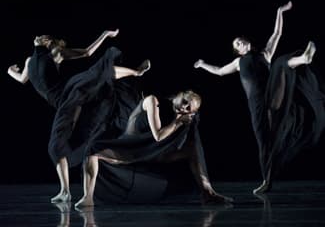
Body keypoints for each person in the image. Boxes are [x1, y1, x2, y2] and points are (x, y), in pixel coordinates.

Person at [194, 1, 325, 194]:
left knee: (280, 63)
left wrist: (280, 12)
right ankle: (267, 181)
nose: (240, 42)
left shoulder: (265, 54)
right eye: (236, 44)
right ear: (237, 51)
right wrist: (203, 64)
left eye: (240, 40)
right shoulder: (238, 62)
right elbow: (220, 71)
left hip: (274, 96)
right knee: (264, 143)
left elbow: (276, 33)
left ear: (247, 42)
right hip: (257, 107)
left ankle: (303, 59)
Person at [7, 30, 151, 203]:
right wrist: (9, 71)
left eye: (44, 36)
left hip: (69, 92)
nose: (39, 36)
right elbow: (23, 79)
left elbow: (87, 52)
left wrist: (105, 34)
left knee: (99, 71)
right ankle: (65, 191)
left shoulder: (56, 53)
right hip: (63, 105)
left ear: (48, 41)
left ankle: (136, 72)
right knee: (55, 147)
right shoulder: (29, 61)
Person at [75, 90, 234, 208]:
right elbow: (158, 135)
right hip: (130, 146)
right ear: (179, 95)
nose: (184, 108)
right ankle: (88, 197)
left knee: (192, 149)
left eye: (189, 109)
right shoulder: (154, 101)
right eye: (185, 101)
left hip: (152, 152)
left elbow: (189, 141)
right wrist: (178, 122)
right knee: (93, 151)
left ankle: (208, 193)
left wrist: (188, 121)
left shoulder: (183, 117)